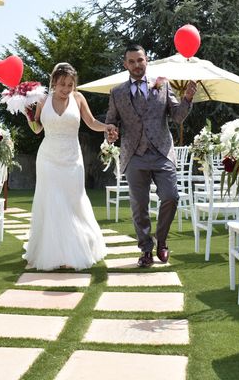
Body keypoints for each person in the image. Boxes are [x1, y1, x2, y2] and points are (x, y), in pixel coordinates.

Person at [105, 44, 197, 267]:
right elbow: (111, 121)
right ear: (126, 64)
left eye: (140, 60)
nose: (137, 65)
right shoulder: (117, 93)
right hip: (134, 154)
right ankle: (146, 249)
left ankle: (162, 241)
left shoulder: (162, 84)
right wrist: (111, 132)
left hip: (162, 151)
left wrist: (187, 99)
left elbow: (177, 117)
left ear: (147, 60)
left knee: (171, 197)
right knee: (139, 206)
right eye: (132, 61)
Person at [23, 62, 112, 271]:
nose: (66, 89)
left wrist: (106, 127)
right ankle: (53, 253)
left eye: (70, 85)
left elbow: (91, 122)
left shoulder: (78, 99)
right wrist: (28, 117)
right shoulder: (42, 100)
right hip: (47, 159)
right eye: (62, 84)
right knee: (52, 202)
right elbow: (37, 129)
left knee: (73, 202)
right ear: (54, 82)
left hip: (72, 160)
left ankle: (78, 248)